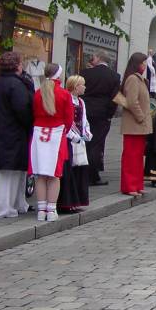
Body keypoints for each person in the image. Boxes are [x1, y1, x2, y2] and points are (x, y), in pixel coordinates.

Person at [0, 52, 34, 219]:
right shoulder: (16, 85)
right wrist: (29, 123)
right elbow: (22, 109)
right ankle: (3, 207)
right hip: (13, 133)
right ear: (17, 66)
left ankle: (12, 204)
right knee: (9, 172)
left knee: (8, 171)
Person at [30, 63, 74, 221]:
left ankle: (41, 210)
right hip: (56, 134)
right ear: (59, 75)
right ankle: (51, 210)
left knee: (40, 174)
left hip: (39, 133)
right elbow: (69, 120)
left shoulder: (37, 93)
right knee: (55, 175)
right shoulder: (64, 94)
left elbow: (33, 113)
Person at [80, 51, 120, 186]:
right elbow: (114, 98)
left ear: (98, 58)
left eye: (94, 57)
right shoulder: (114, 76)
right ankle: (93, 174)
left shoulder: (86, 73)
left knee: (85, 142)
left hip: (86, 111)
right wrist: (110, 114)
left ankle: (82, 172)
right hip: (102, 113)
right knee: (97, 143)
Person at [57, 75, 92, 213]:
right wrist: (73, 135)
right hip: (69, 139)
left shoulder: (81, 102)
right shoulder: (67, 99)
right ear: (75, 86)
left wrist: (87, 132)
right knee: (70, 169)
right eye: (82, 85)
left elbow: (84, 119)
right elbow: (66, 120)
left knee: (80, 169)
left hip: (80, 139)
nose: (84, 87)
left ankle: (77, 200)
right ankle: (66, 202)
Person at [119, 52, 152, 196]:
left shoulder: (140, 80)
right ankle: (129, 185)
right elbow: (132, 102)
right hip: (134, 124)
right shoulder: (133, 79)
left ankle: (137, 184)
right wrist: (141, 117)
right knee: (131, 157)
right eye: (143, 63)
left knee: (138, 157)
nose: (145, 66)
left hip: (139, 125)